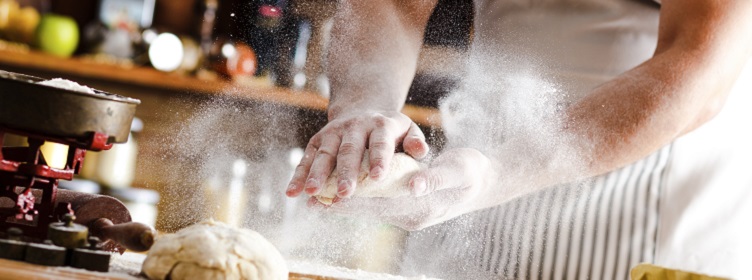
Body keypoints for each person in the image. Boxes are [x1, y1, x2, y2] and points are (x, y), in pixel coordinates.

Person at [285, 0, 752, 279]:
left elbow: (701, 65)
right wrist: (366, 106)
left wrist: (498, 175)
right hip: (476, 192)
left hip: (644, 208)